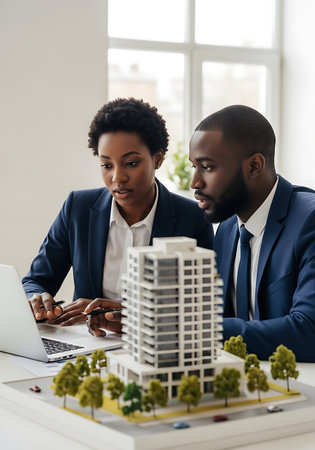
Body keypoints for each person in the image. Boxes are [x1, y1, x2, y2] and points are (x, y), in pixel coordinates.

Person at [23, 97, 214, 335]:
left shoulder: (193, 219)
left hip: (157, 351)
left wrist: (131, 317)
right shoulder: (77, 208)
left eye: (131, 163)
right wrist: (36, 298)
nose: (117, 177)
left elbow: (201, 310)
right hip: (86, 345)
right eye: (106, 165)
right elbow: (35, 280)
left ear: (157, 159)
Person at [189, 104, 315, 362]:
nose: (195, 182)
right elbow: (218, 314)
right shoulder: (227, 228)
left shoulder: (309, 221)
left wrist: (198, 330)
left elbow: (309, 330)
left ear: (254, 166)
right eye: (194, 167)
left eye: (208, 167)